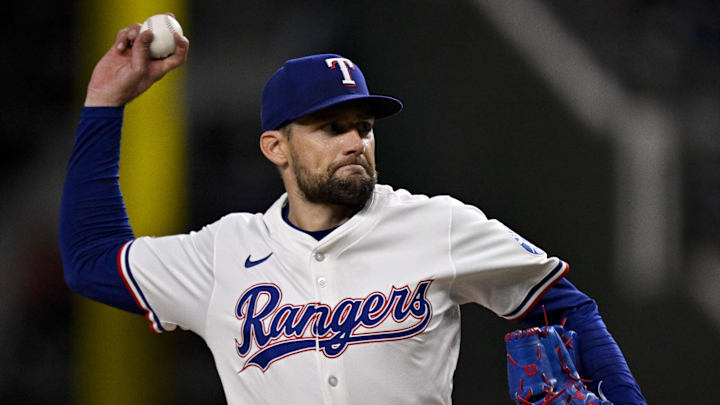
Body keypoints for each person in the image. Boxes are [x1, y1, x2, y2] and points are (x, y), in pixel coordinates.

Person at [60, 18, 647, 405]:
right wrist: (105, 102)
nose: (355, 142)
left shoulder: (434, 224)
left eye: (364, 127)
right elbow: (91, 260)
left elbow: (562, 302)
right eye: (331, 127)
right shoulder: (225, 253)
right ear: (275, 147)